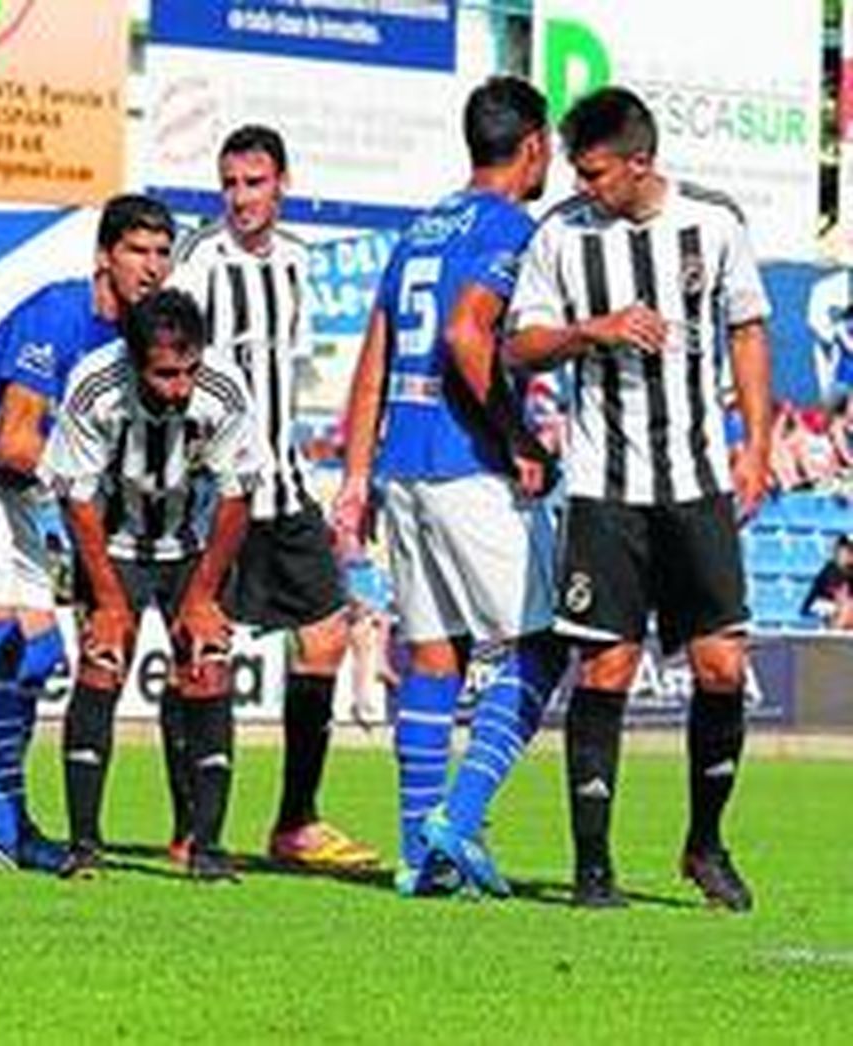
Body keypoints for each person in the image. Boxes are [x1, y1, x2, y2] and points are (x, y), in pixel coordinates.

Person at [507, 86, 772, 911]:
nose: (580, 184)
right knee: (608, 665)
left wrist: (756, 444)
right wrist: (593, 330)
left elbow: (749, 330)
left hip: (696, 482)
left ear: (640, 162)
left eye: (593, 171)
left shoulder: (713, 224)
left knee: (722, 666)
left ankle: (705, 843)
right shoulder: (561, 237)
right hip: (603, 488)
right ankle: (593, 867)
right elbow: (519, 347)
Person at [336, 77, 565, 897]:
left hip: (401, 464)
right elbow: (469, 331)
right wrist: (518, 436)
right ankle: (457, 819)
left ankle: (418, 856)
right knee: (541, 645)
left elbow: (372, 361)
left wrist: (356, 476)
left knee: (434, 656)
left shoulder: (419, 229)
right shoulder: (511, 226)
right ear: (533, 145)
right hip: (468, 463)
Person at [0, 193, 174, 870]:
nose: (151, 267)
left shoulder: (133, 345)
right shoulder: (59, 314)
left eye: (160, 253)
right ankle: (7, 831)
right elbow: (13, 443)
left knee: (43, 657)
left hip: (22, 489)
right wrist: (89, 496)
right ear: (103, 257)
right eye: (136, 251)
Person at [170, 124, 379, 871]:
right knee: (205, 646)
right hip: (216, 488)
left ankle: (296, 821)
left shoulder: (296, 263)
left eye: (253, 183)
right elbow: (171, 364)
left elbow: (283, 381)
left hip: (286, 483)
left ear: (281, 183)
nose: (240, 198)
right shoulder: (198, 261)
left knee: (324, 637)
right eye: (229, 184)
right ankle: (196, 826)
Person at [45, 288, 267, 882]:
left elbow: (237, 494)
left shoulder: (223, 388)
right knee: (102, 664)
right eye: (166, 374)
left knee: (207, 666)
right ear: (133, 359)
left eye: (189, 369)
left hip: (194, 548)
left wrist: (201, 597)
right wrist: (111, 601)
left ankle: (208, 849)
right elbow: (78, 498)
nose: (180, 386)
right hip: (111, 547)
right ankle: (85, 847)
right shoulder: (95, 386)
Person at [801, 534, 853, 628]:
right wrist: (833, 608)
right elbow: (808, 608)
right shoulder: (827, 574)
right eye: (847, 550)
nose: (849, 555)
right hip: (833, 628)